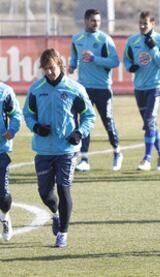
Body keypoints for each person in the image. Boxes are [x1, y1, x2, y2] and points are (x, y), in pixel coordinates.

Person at [23, 48, 96, 247]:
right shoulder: (36, 90)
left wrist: (79, 133)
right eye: (45, 69)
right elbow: (28, 114)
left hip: (67, 151)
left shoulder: (75, 89)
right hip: (44, 150)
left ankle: (63, 233)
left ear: (60, 65)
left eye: (52, 68)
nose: (49, 72)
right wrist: (36, 127)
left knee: (64, 189)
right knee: (45, 193)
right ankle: (55, 214)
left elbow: (89, 116)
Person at [68, 9, 122, 172]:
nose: (96, 23)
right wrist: (72, 66)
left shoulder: (105, 39)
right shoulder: (77, 39)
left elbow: (114, 62)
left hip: (103, 88)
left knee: (107, 121)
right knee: (84, 122)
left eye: (98, 21)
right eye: (93, 20)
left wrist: (94, 59)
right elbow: (74, 57)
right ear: (85, 21)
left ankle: (117, 152)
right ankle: (84, 158)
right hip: (84, 88)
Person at [123, 11, 160, 171]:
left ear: (153, 24)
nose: (142, 26)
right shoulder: (132, 41)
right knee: (149, 123)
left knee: (150, 120)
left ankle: (147, 159)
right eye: (140, 23)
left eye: (146, 23)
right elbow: (127, 59)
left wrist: (153, 49)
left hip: (157, 85)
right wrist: (131, 67)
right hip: (140, 86)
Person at [0, 83, 21, 242]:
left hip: (1, 149)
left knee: (3, 195)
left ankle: (5, 217)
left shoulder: (5, 92)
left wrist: (12, 130)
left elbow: (15, 114)